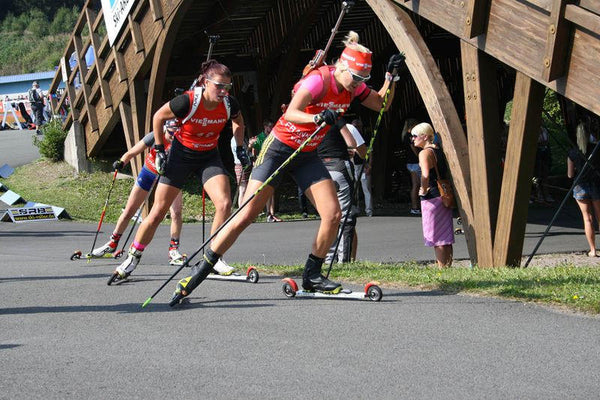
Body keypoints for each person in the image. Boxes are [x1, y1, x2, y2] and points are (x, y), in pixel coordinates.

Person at [170, 31, 403, 305]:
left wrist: (391, 78)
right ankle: (199, 273)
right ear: (341, 67)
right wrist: (317, 116)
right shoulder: (319, 80)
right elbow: (291, 112)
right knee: (245, 215)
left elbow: (382, 105)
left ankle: (312, 275)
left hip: (306, 154)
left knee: (333, 214)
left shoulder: (355, 86)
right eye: (355, 77)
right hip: (279, 149)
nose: (358, 85)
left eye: (363, 80)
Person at [111, 59, 249, 282]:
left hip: (208, 156)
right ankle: (132, 257)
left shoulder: (229, 103)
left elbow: (239, 123)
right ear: (205, 82)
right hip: (181, 156)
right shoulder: (188, 101)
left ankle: (213, 258)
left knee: (224, 204)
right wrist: (159, 148)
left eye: (227, 87)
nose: (223, 92)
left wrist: (240, 148)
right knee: (157, 211)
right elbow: (158, 117)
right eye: (219, 86)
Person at [91, 120, 186, 265]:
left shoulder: (181, 141)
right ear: (166, 129)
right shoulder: (155, 135)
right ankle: (113, 242)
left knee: (176, 213)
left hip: (169, 177)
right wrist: (121, 162)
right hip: (149, 171)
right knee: (129, 210)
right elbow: (132, 152)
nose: (172, 137)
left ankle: (173, 249)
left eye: (176, 134)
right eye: (170, 133)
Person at [318, 118, 367, 263]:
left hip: (320, 169)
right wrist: (349, 150)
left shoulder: (313, 120)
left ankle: (327, 258)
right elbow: (353, 144)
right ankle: (344, 260)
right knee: (346, 216)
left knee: (329, 215)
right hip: (339, 167)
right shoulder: (337, 119)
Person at [413, 122, 454, 267]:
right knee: (446, 237)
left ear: (424, 136)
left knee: (437, 238)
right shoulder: (438, 150)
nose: (413, 139)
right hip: (443, 195)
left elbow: (425, 175)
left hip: (432, 198)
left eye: (415, 136)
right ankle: (447, 267)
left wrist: (423, 189)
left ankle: (442, 269)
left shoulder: (424, 153)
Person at [567, 120, 600, 257]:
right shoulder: (596, 149)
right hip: (596, 185)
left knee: (587, 219)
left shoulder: (572, 152)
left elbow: (570, 175)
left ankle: (593, 250)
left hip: (580, 186)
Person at [249, 118, 281, 222]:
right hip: (261, 166)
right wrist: (251, 146)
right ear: (265, 126)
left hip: (272, 165)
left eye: (272, 127)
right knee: (257, 190)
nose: (271, 129)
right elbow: (252, 149)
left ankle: (270, 213)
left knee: (271, 190)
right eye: (269, 126)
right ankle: (251, 212)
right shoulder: (260, 137)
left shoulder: (274, 137)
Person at [351, 119, 373, 217]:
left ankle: (369, 211)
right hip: (352, 166)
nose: (357, 129)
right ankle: (356, 209)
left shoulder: (366, 138)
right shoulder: (349, 138)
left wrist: (369, 166)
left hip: (363, 166)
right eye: (355, 127)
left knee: (366, 189)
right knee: (353, 189)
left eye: (359, 127)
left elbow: (371, 153)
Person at [402, 118, 420, 214]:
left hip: (409, 162)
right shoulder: (410, 136)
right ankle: (415, 206)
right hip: (415, 162)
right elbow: (413, 147)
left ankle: (415, 206)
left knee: (415, 185)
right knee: (417, 185)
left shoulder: (404, 135)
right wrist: (419, 156)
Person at [230, 133, 252, 208]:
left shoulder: (242, 139)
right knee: (242, 189)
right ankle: (241, 210)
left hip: (246, 165)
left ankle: (245, 210)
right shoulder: (235, 140)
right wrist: (249, 146)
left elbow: (249, 154)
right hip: (240, 165)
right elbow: (241, 155)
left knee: (246, 189)